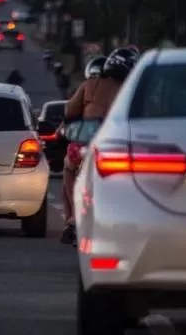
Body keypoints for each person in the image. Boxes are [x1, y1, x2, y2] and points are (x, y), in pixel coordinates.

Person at [59, 47, 139, 245]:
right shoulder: (133, 90)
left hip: (88, 148)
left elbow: (69, 111)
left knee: (69, 166)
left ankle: (72, 220)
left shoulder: (91, 85)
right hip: (119, 148)